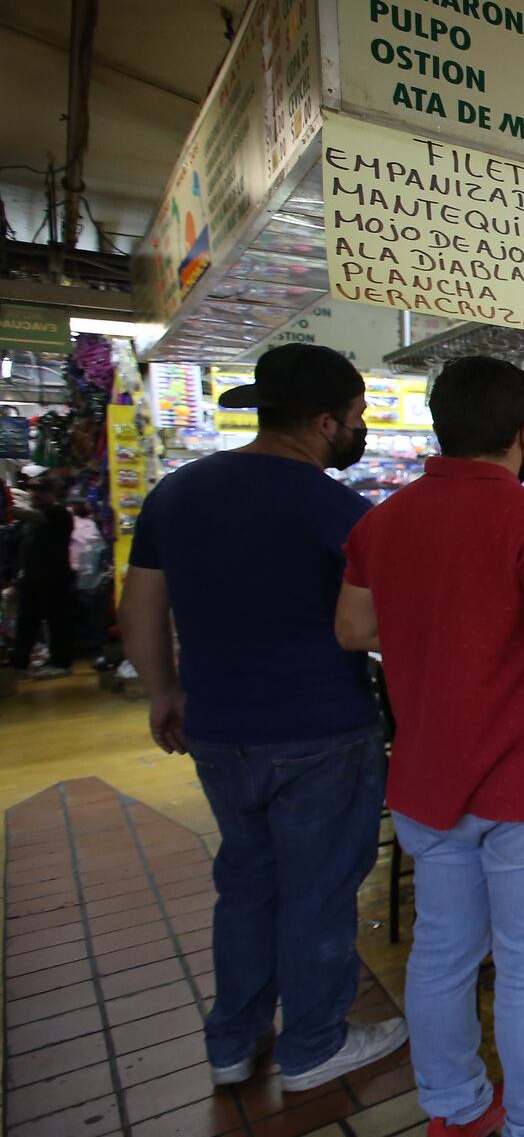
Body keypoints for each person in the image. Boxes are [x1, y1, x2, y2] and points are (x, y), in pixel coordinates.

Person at [336, 357, 524, 1137]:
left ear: (441, 425)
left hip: (431, 782)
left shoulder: (382, 520)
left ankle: (455, 1107)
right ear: (523, 432)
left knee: (442, 956)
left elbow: (353, 629)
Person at [115, 344, 406, 1091]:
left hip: (215, 730)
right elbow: (384, 620)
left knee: (247, 884)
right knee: (317, 890)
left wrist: (162, 692)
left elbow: (141, 605)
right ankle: (314, 1045)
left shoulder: (178, 493)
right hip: (319, 728)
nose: (360, 428)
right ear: (322, 421)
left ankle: (233, 1041)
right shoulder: (335, 508)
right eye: (356, 417)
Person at [9, 480, 75, 678]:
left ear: (51, 494)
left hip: (55, 578)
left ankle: (61, 664)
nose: (35, 495)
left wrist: (8, 505)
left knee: (57, 621)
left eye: (41, 491)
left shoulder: (59, 514)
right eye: (33, 491)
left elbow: (35, 517)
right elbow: (23, 551)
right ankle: (18, 665)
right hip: (30, 579)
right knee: (26, 622)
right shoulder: (29, 522)